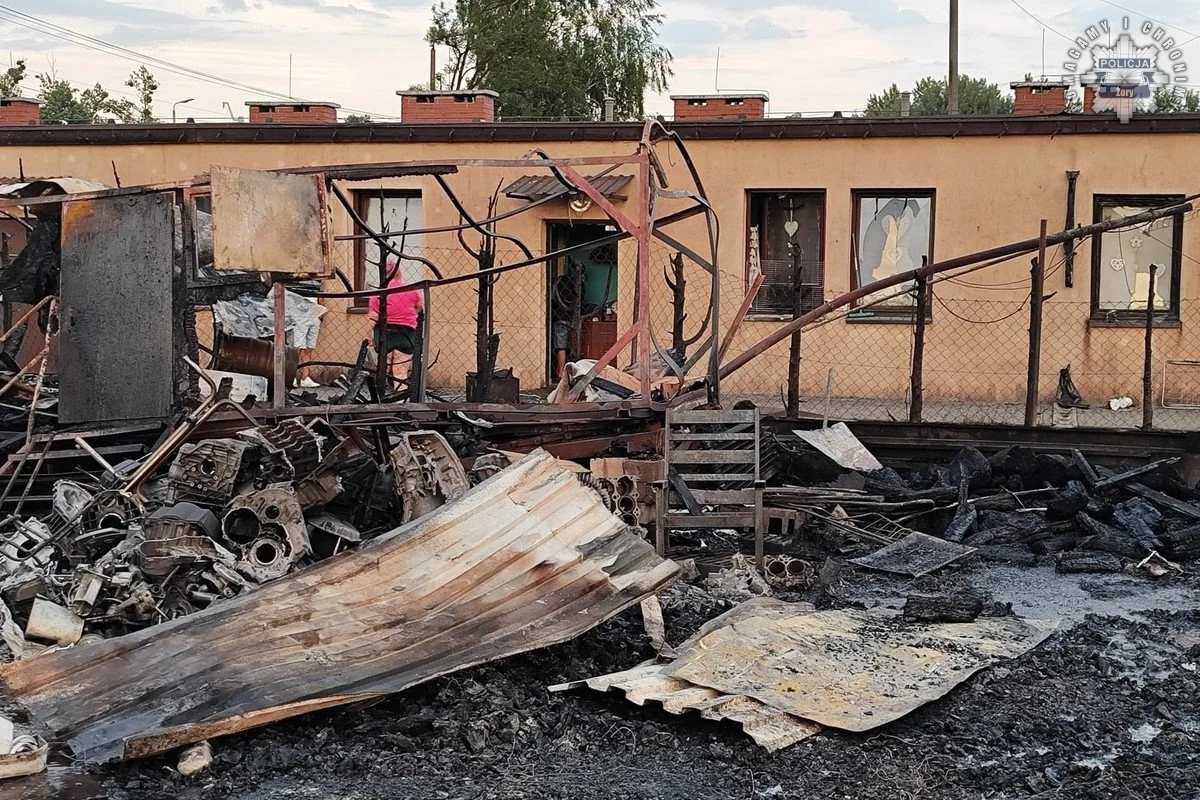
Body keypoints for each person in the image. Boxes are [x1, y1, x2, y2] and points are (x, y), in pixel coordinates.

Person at [368, 260, 424, 386]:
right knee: (400, 373)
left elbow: (373, 317)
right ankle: (400, 395)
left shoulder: (377, 293)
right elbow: (420, 307)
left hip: (384, 333)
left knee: (384, 369)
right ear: (399, 273)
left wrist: (368, 336)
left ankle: (381, 392)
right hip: (406, 333)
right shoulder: (411, 290)